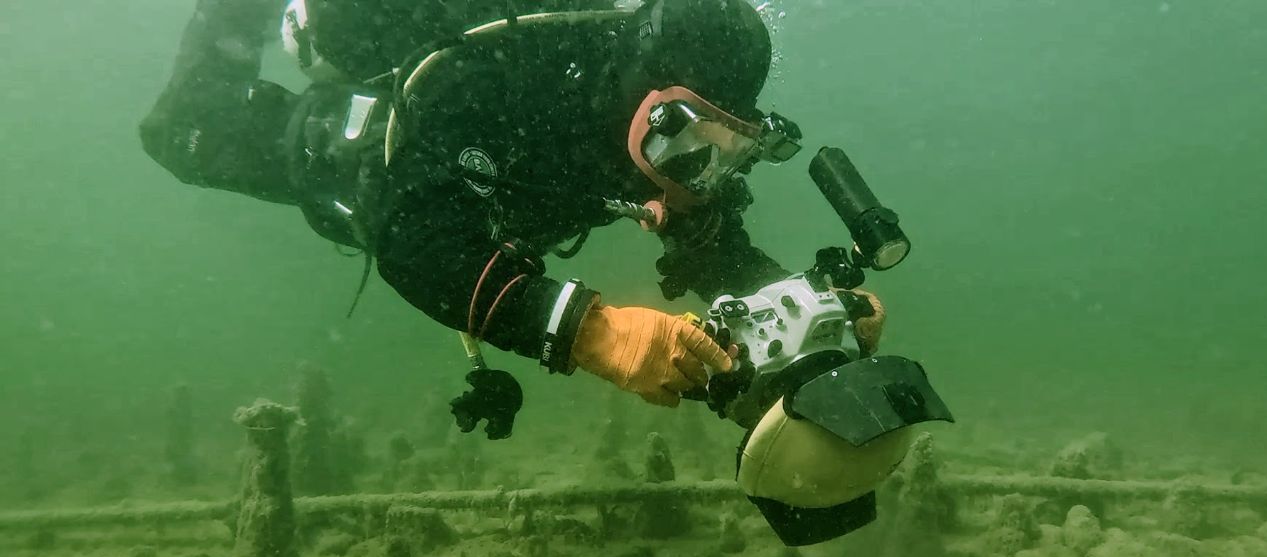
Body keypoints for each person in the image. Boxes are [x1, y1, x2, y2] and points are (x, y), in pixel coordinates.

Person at [140, 0, 884, 414]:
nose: (692, 172)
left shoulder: (665, 149)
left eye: (728, 148)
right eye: (685, 137)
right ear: (640, 87)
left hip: (475, 186)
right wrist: (593, 333)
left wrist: (809, 310)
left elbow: (715, 251)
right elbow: (414, 238)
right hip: (370, 157)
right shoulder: (495, 74)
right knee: (182, 133)